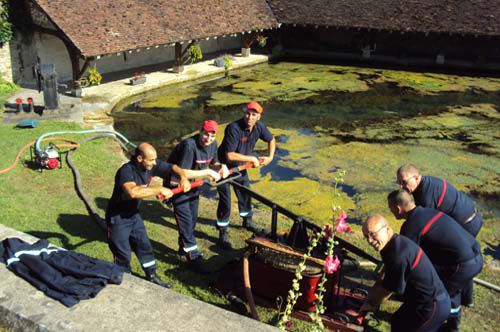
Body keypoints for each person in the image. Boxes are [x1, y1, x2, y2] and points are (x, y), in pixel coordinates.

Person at [387, 190, 483, 331]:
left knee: (440, 293)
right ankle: (451, 323)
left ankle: (443, 325)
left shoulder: (411, 226)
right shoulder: (426, 211)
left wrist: (389, 283)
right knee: (450, 289)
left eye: (390, 208)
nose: (390, 211)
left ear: (398, 208)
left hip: (463, 264)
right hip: (475, 253)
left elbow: (402, 258)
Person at [106, 142, 191, 288]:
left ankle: (152, 276)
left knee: (144, 245)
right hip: (117, 217)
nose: (155, 163)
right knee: (123, 254)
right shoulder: (126, 171)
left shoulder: (151, 165)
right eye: (151, 160)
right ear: (140, 158)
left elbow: (173, 167)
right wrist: (159, 189)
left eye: (155, 159)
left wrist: (183, 177)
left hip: (133, 214)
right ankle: (125, 282)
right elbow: (133, 192)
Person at [396, 163, 482, 307]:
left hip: (468, 223)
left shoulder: (425, 196)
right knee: (461, 258)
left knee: (458, 259)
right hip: (470, 217)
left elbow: (424, 224)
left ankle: (451, 299)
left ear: (416, 178)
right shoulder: (424, 183)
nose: (402, 187)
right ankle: (467, 299)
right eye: (399, 183)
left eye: (404, 182)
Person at [360, 215, 450, 332]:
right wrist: (370, 296)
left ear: (387, 229)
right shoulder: (392, 244)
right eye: (366, 236)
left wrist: (371, 304)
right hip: (417, 300)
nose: (370, 241)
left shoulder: (398, 256)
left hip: (432, 305)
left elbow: (386, 291)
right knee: (398, 321)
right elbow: (383, 276)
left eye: (373, 234)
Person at [166, 120, 229, 273]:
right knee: (186, 222)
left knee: (192, 219)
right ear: (200, 131)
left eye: (212, 135)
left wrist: (222, 167)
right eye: (206, 134)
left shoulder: (213, 145)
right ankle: (193, 258)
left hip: (194, 186)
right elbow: (183, 173)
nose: (208, 138)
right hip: (177, 186)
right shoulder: (189, 146)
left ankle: (183, 248)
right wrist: (208, 172)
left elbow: (213, 163)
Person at [216, 101, 276, 241]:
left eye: (253, 115)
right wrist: (251, 158)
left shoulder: (259, 127)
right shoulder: (233, 128)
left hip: (241, 167)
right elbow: (229, 155)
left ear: (258, 117)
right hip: (223, 168)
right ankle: (223, 231)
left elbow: (271, 139)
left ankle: (247, 221)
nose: (249, 117)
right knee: (226, 201)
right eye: (247, 113)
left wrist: (270, 157)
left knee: (245, 194)